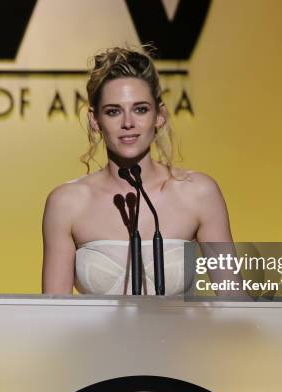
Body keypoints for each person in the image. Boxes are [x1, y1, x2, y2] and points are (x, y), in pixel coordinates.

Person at [42, 46, 233, 295]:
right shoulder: (67, 203)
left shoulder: (198, 193)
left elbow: (234, 300)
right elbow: (51, 316)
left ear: (159, 115)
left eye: (140, 109)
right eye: (113, 111)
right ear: (95, 120)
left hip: (182, 335)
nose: (128, 123)